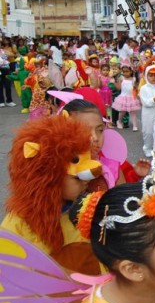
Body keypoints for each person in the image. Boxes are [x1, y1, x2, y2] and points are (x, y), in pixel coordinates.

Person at [1, 115, 102, 274]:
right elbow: (10, 273)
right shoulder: (19, 224)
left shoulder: (85, 209)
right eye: (76, 178)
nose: (85, 183)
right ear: (48, 179)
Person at [112, 60, 140, 131]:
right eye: (123, 72)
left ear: (131, 71)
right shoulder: (121, 78)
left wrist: (135, 86)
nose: (125, 73)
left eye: (127, 71)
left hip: (131, 97)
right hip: (123, 97)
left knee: (133, 112)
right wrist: (115, 82)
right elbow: (119, 88)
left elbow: (136, 88)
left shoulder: (133, 79)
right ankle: (119, 121)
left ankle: (135, 125)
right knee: (122, 111)